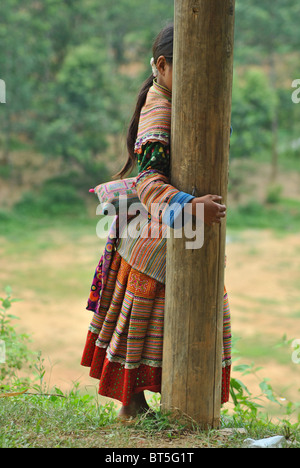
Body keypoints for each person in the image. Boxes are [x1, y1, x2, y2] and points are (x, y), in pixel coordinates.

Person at [81, 23, 231, 419]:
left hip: (179, 234)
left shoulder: (183, 101)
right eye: (189, 70)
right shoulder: (159, 108)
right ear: (162, 67)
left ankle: (184, 405)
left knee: (184, 318)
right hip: (155, 240)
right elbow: (148, 181)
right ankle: (133, 406)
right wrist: (189, 207)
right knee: (149, 327)